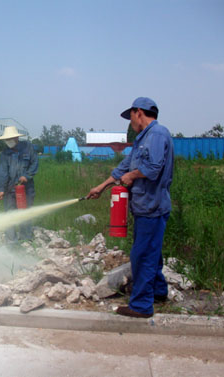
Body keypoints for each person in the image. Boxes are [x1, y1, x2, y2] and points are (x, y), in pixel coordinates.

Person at [87, 97, 174, 318]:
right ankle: (158, 291)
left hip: (152, 206)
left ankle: (142, 306)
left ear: (138, 113)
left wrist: (132, 176)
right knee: (151, 251)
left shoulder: (156, 134)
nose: (130, 123)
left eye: (130, 118)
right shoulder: (142, 140)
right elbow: (123, 168)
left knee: (142, 255)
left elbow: (152, 169)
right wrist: (101, 187)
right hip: (145, 206)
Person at [0, 126, 38, 242]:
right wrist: (1, 189)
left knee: (25, 213)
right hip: (10, 189)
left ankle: (26, 238)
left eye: (10, 138)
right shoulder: (5, 154)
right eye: (6, 139)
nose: (8, 141)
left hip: (26, 188)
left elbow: (34, 162)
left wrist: (27, 175)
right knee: (10, 214)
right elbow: (3, 172)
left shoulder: (27, 147)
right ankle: (11, 242)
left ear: (16, 138)